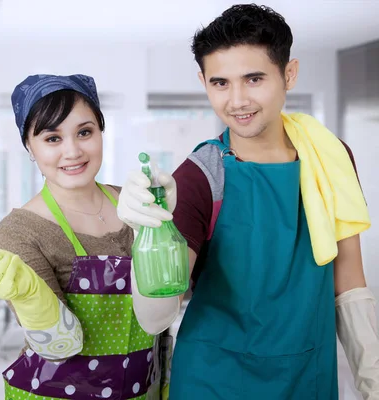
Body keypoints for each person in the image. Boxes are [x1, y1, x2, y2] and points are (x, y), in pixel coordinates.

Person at [117, 4, 378, 400]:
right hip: (215, 381)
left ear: (289, 74)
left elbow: (349, 283)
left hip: (308, 376)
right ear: (203, 81)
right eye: (220, 83)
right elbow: (155, 317)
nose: (237, 100)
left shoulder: (330, 157)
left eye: (253, 78)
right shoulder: (199, 177)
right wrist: (149, 234)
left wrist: (371, 378)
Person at [0, 74, 173, 399]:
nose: (72, 151)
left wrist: (162, 229)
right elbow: (60, 346)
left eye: (85, 132)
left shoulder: (134, 203)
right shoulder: (20, 231)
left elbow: (164, 308)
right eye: (52, 138)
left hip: (141, 388)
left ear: (101, 132)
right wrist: (29, 295)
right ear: (30, 146)